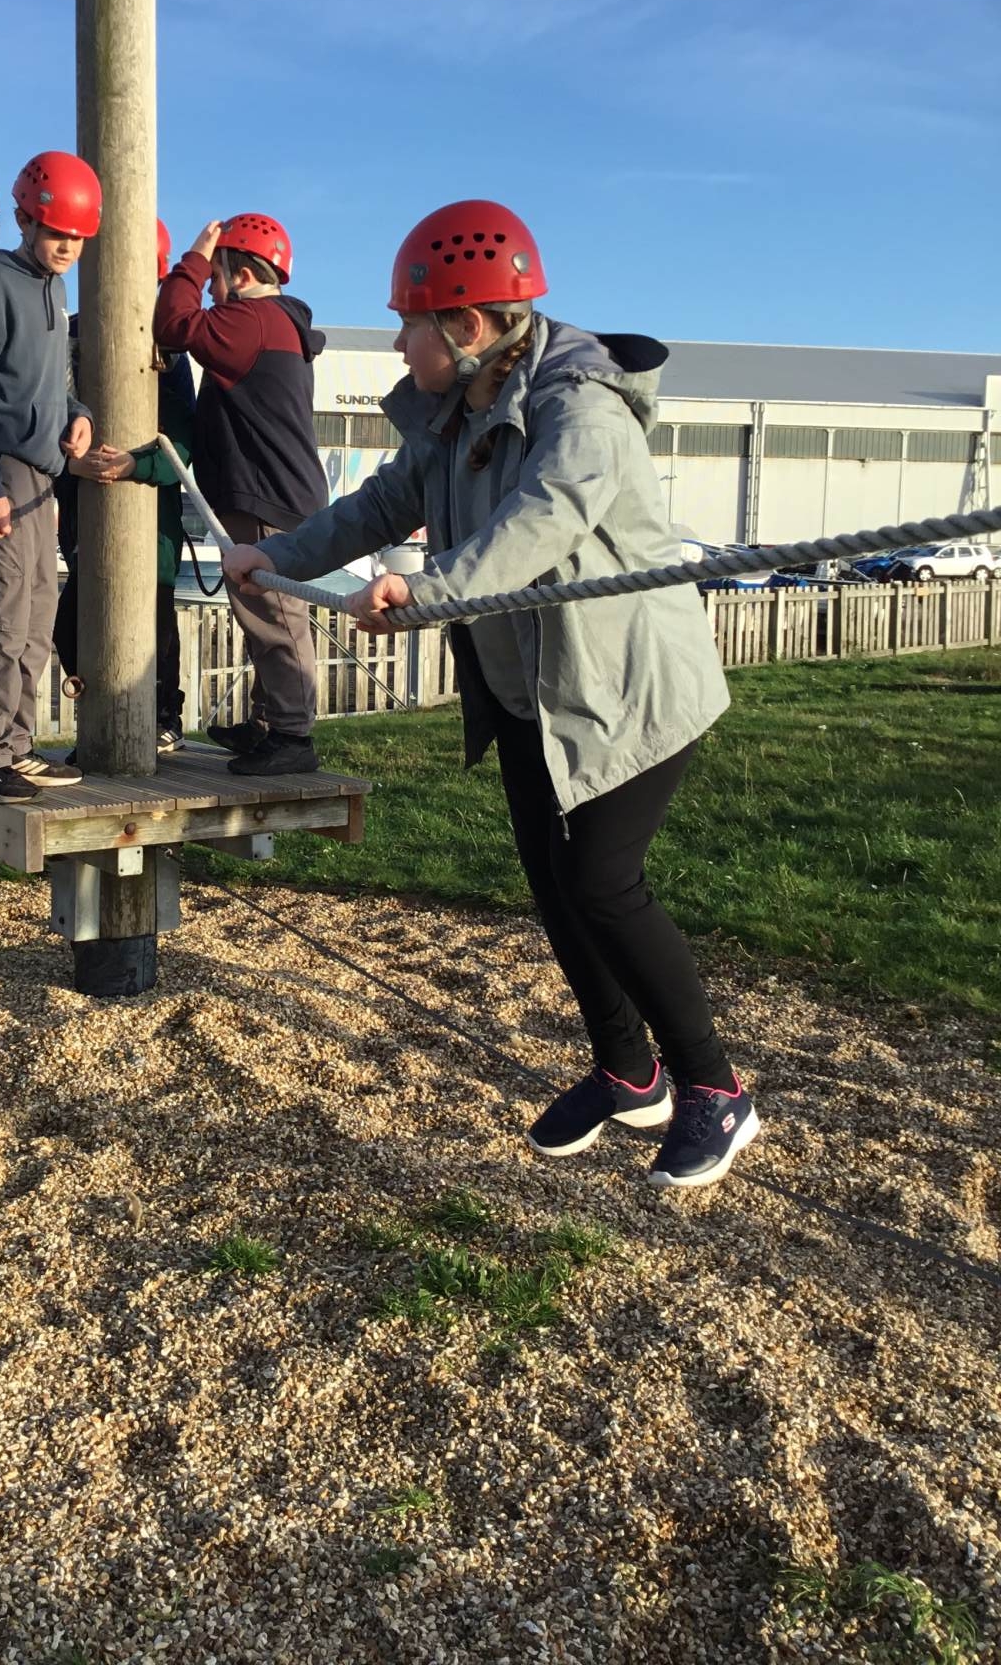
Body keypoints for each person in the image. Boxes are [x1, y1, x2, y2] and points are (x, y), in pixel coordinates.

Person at [222, 200, 759, 1190]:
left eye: (409, 324)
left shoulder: (582, 407)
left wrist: (423, 592)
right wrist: (278, 554)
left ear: (469, 326)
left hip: (626, 689)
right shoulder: (454, 412)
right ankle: (628, 1072)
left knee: (603, 883)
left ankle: (715, 1089)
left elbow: (541, 523)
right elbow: (384, 503)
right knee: (555, 886)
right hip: (531, 692)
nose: (398, 343)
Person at [153, 214, 328, 776]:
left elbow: (172, 323)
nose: (209, 289)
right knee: (265, 617)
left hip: (264, 498)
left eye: (216, 277)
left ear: (243, 275)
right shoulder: (275, 323)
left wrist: (194, 257)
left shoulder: (250, 319)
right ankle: (267, 724)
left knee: (275, 619)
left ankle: (292, 737)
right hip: (276, 493)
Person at [0, 150, 99, 803]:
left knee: (38, 616)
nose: (67, 248)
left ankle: (17, 745)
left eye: (77, 239)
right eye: (56, 233)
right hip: (1, 469)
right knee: (5, 618)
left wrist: (79, 414)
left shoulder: (56, 290)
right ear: (24, 222)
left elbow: (49, 384)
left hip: (42, 477)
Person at [57, 220, 197, 754]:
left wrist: (137, 465)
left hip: (151, 514)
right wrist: (69, 467)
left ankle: (163, 717)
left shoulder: (170, 347)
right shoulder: (69, 334)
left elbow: (183, 440)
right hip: (83, 506)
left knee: (154, 621)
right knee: (71, 623)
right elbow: (45, 416)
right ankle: (99, 720)